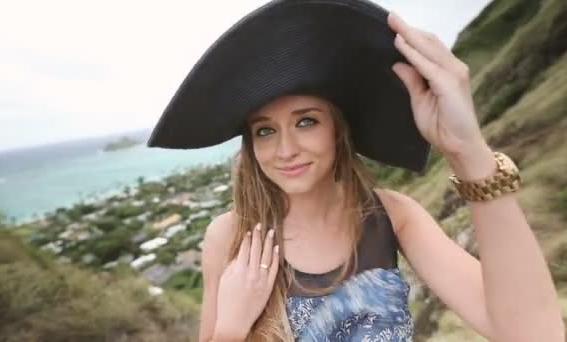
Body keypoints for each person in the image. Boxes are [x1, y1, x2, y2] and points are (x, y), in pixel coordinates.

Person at [147, 1, 565, 341]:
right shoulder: (230, 237)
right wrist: (231, 329)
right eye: (265, 130)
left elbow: (536, 334)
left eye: (306, 120)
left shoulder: (391, 216)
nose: (285, 149)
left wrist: (468, 151)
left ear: (338, 127)